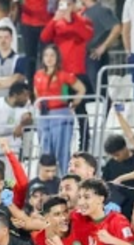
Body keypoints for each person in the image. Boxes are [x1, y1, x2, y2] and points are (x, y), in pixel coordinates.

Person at [33, 44, 86, 177]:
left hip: (60, 113)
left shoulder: (64, 75)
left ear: (57, 58)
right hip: (44, 115)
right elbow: (36, 92)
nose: (49, 58)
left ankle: (64, 178)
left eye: (52, 55)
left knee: (61, 150)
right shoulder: (38, 75)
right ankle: (46, 179)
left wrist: (75, 102)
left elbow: (81, 88)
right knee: (45, 150)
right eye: (46, 55)